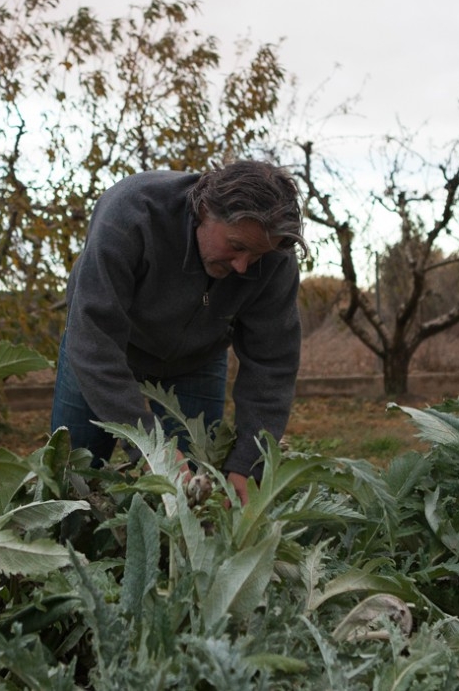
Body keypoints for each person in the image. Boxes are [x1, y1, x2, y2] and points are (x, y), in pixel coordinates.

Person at [50, 159, 307, 503]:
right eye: (237, 246)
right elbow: (93, 336)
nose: (243, 266)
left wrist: (250, 461)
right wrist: (149, 446)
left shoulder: (275, 258)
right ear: (204, 210)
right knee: (69, 478)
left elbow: (272, 364)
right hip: (102, 352)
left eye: (256, 255)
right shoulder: (130, 212)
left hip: (195, 363)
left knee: (188, 496)